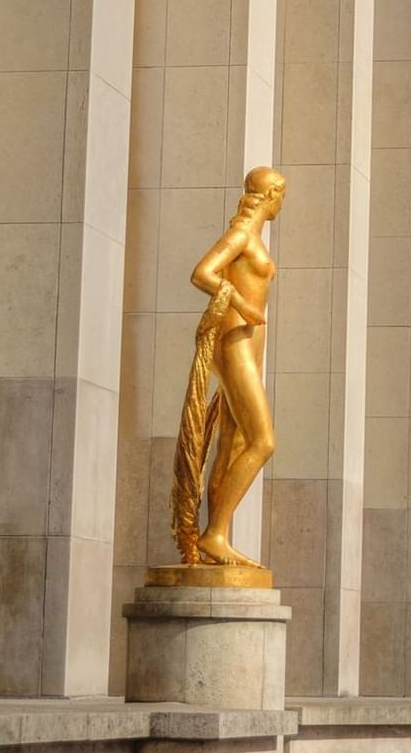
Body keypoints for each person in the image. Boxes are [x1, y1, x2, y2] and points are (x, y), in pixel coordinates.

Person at [174, 165, 286, 567]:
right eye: (280, 195)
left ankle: (216, 537)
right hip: (234, 342)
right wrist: (240, 303)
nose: (281, 204)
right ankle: (215, 533)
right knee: (263, 441)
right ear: (272, 194)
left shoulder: (252, 237)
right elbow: (202, 273)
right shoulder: (241, 235)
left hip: (248, 347)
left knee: (234, 444)